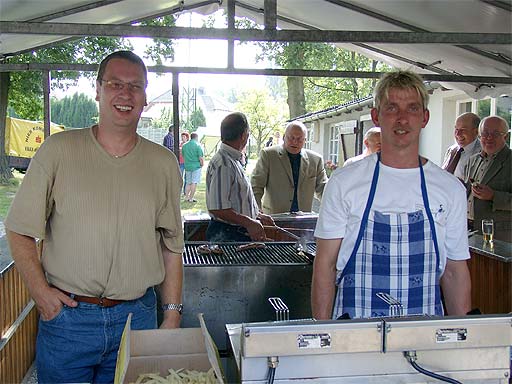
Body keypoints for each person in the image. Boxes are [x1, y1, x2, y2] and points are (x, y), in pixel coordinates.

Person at [5, 51, 184, 384]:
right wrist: (41, 294)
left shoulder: (164, 164)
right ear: (98, 90)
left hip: (138, 318)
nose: (125, 94)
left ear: (145, 98)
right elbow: (18, 230)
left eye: (136, 86)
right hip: (68, 320)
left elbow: (171, 246)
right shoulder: (58, 150)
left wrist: (172, 315)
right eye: (115, 83)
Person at [312, 70, 471, 321]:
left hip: (425, 333)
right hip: (355, 332)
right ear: (376, 116)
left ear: (425, 117)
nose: (402, 119)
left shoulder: (450, 189)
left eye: (412, 109)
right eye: (392, 108)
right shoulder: (344, 182)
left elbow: (454, 272)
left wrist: (463, 339)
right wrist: (323, 335)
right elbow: (325, 266)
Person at [206, 112, 274, 242]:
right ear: (244, 135)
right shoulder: (224, 164)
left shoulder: (232, 160)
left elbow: (236, 199)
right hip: (226, 234)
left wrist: (256, 215)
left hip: (235, 232)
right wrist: (249, 222)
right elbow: (218, 209)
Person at [251, 121, 328, 214]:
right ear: (284, 137)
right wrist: (257, 210)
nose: (295, 142)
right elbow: (256, 186)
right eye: (291, 138)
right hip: (274, 217)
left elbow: (324, 190)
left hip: (303, 219)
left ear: (305, 140)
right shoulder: (268, 155)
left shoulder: (316, 160)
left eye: (299, 139)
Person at [465, 115, 511, 242]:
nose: (489, 138)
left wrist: (493, 196)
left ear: (505, 137)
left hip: (499, 236)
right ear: (479, 136)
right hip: (468, 230)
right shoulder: (472, 160)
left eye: (495, 134)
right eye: (485, 133)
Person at [441, 112, 481, 180]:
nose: (458, 134)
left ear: (476, 132)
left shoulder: (482, 154)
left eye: (463, 130)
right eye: (456, 129)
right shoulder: (452, 150)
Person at [181, 132, 204, 203]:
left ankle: (186, 197)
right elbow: (201, 157)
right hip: (196, 166)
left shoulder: (184, 146)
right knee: (194, 182)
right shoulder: (198, 146)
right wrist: (202, 164)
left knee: (188, 182)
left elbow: (183, 155)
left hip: (187, 166)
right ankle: (191, 198)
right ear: (196, 137)